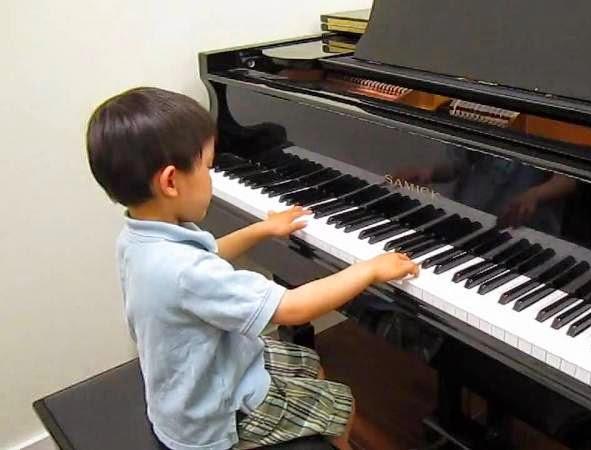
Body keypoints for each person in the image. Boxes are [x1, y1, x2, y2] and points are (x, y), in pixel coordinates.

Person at [86, 87, 419, 450]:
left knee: (307, 362)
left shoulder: (138, 239)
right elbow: (294, 308)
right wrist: (369, 269)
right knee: (342, 403)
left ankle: (308, 422)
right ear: (170, 182)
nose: (212, 176)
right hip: (213, 417)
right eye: (208, 167)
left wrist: (263, 229)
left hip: (188, 384)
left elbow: (211, 254)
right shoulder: (185, 272)